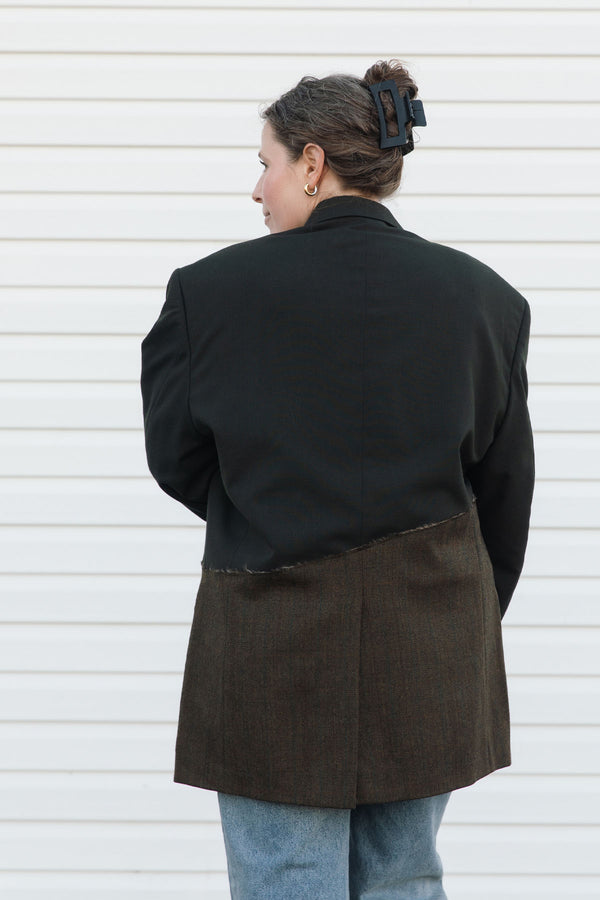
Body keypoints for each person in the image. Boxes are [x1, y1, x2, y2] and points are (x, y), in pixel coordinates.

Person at [141, 59, 535, 900]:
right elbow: (507, 489)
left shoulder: (207, 294)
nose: (257, 189)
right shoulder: (487, 301)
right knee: (404, 879)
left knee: (286, 880)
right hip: (430, 635)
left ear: (312, 163)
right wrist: (454, 612)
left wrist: (265, 511)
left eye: (265, 162)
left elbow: (176, 457)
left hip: (269, 635)